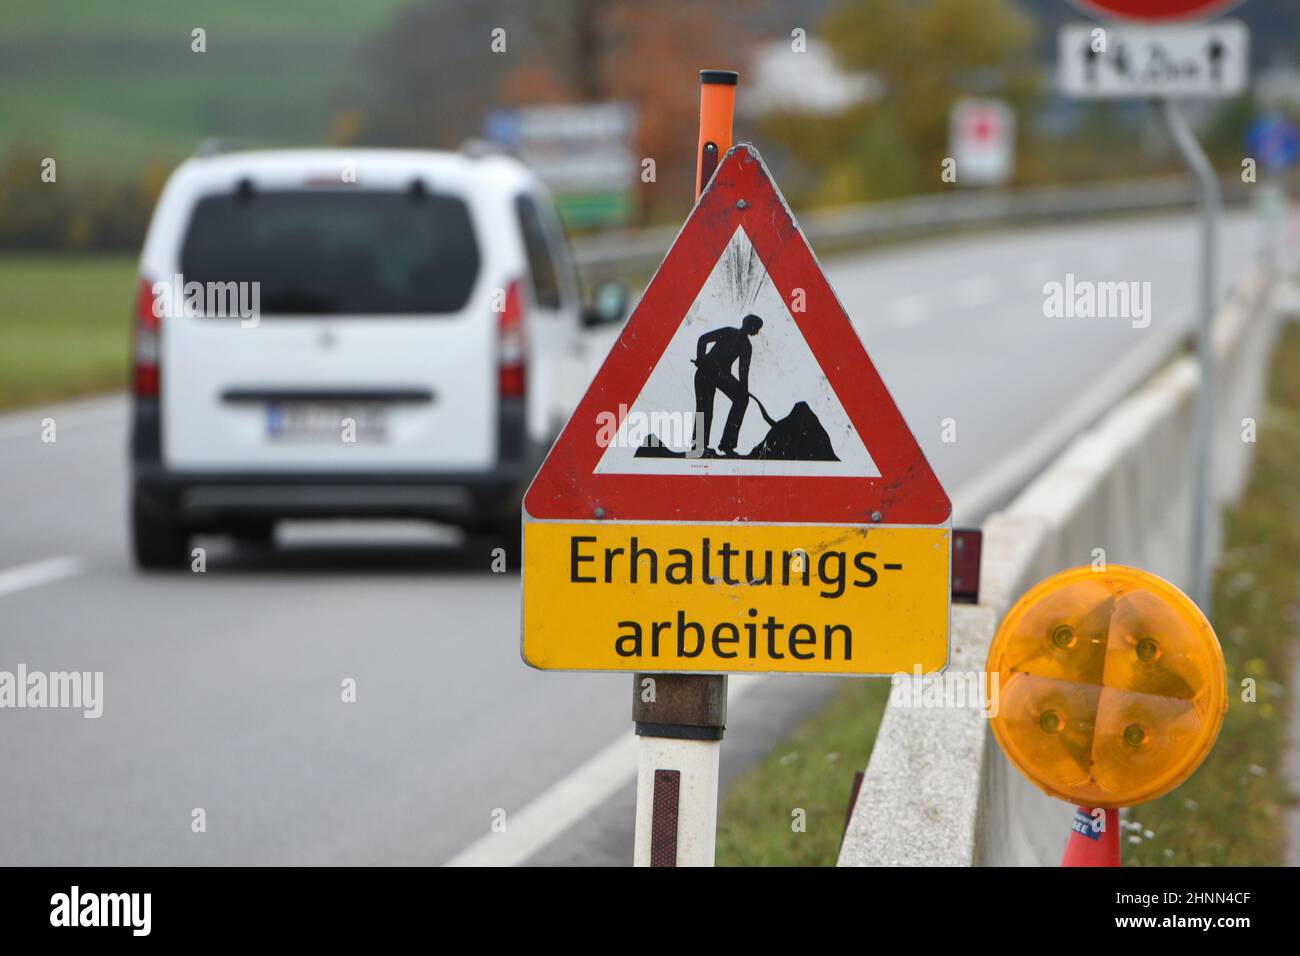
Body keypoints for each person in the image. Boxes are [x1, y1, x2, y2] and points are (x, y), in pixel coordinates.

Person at [690, 314, 763, 457]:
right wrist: (701, 358)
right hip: (706, 371)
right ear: (751, 326)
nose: (758, 332)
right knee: (705, 408)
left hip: (720, 375)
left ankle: (726, 445)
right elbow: (703, 340)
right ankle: (700, 446)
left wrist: (744, 391)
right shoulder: (730, 333)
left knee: (741, 400)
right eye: (757, 328)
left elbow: (743, 371)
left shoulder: (745, 345)